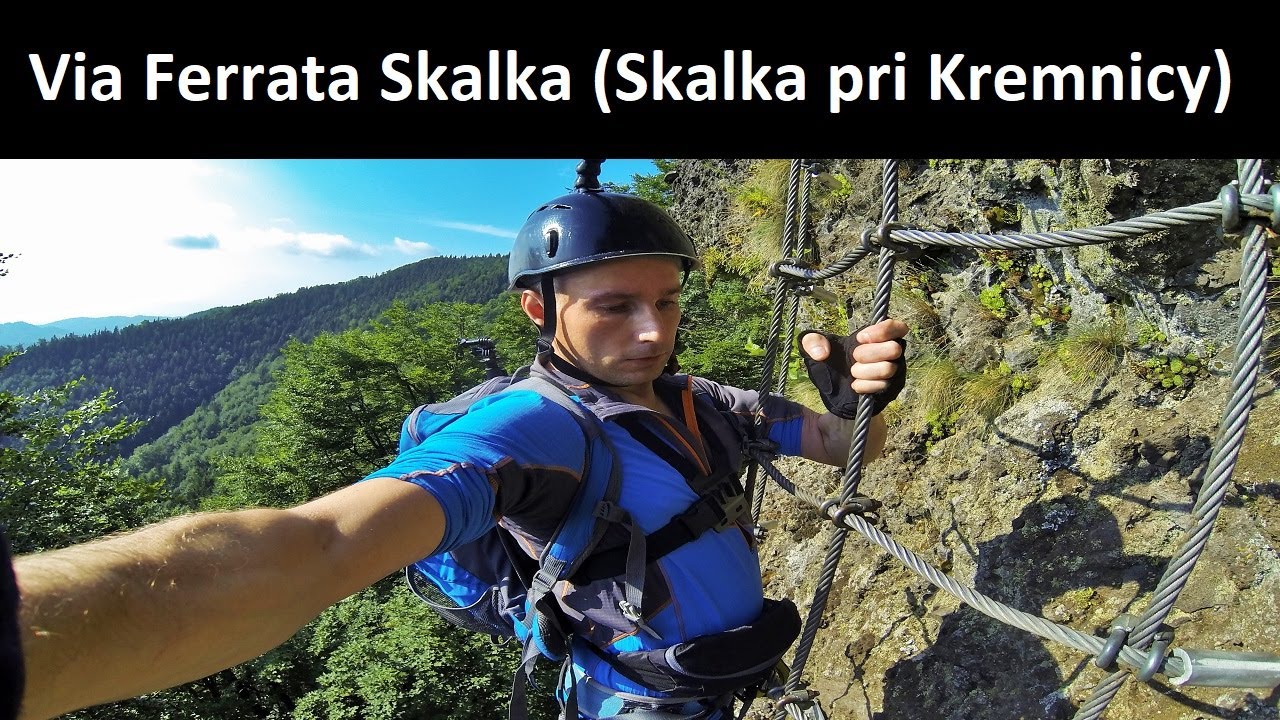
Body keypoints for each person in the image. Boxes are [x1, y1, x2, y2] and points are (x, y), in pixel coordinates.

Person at [8, 168, 909, 720]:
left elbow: (840, 447)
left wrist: (858, 401)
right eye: (614, 306)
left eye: (666, 303)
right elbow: (321, 544)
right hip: (637, 705)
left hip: (729, 679)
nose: (650, 332)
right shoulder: (534, 427)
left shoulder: (702, 401)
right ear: (538, 308)